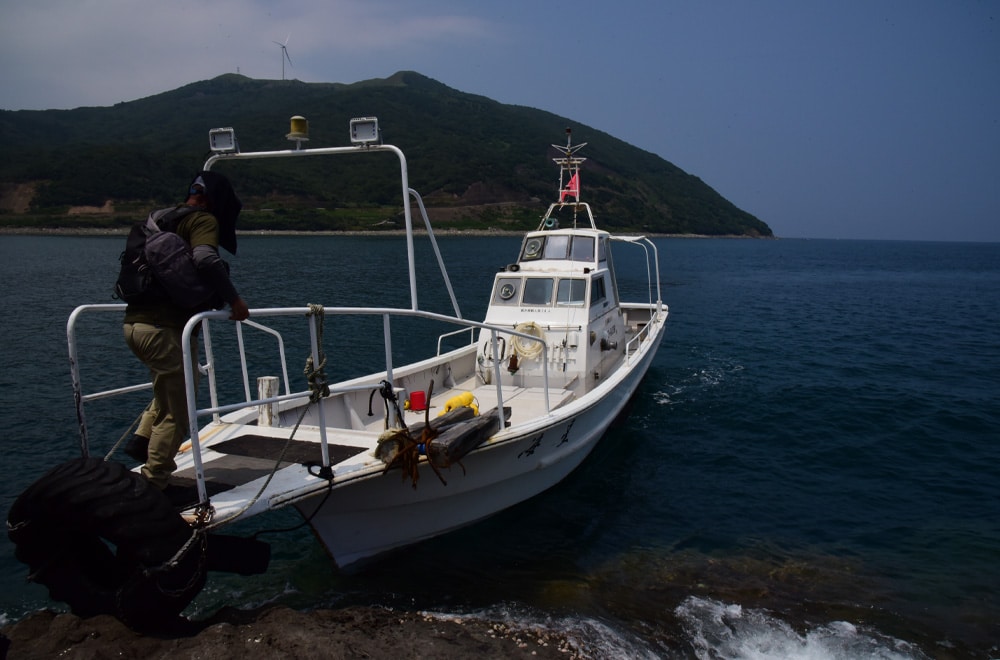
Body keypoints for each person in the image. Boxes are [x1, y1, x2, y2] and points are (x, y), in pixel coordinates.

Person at [122, 171, 250, 490]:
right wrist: (235, 300)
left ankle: (141, 442)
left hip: (134, 326)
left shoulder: (160, 218)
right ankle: (155, 482)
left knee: (168, 391)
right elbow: (206, 259)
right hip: (164, 330)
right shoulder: (202, 220)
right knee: (178, 412)